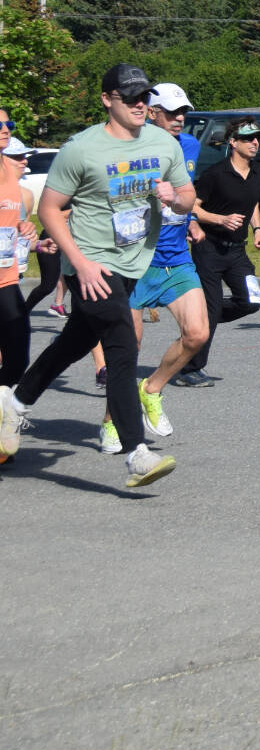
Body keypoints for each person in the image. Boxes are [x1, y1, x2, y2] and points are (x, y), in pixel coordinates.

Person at [0, 64, 193, 487]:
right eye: (131, 98)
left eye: (145, 98)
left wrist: (175, 197)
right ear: (108, 100)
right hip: (91, 264)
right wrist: (80, 264)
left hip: (131, 262)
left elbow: (188, 196)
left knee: (74, 342)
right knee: (124, 344)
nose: (141, 105)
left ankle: (14, 404)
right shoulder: (81, 149)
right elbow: (49, 209)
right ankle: (136, 452)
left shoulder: (164, 143)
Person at [122, 84, 207, 436]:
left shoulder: (190, 145)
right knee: (128, 350)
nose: (179, 118)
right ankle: (114, 421)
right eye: (171, 112)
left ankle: (152, 389)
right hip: (134, 261)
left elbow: (187, 193)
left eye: (183, 111)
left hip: (176, 259)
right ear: (150, 112)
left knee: (197, 334)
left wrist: (192, 217)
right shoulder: (128, 147)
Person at [180, 117, 260, 383]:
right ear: (233, 143)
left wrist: (258, 229)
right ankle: (190, 368)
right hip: (209, 249)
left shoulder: (259, 172)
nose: (255, 143)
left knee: (251, 302)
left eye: (257, 138)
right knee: (210, 306)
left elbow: (251, 202)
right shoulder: (215, 174)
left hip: (237, 251)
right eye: (248, 138)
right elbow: (191, 206)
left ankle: (196, 327)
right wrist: (220, 219)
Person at [0, 138, 39, 395]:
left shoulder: (19, 193)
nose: (24, 161)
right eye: (18, 157)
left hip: (8, 278)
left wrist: (33, 240)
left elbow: (14, 232)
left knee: (17, 356)